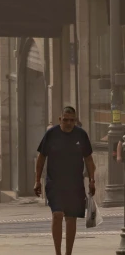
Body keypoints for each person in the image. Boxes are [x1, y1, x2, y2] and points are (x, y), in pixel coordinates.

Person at [35, 106, 96, 255]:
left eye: (72, 120)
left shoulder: (81, 135)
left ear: (75, 120)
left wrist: (92, 180)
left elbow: (88, 159)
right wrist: (37, 180)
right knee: (57, 214)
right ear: (60, 119)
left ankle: (68, 253)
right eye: (65, 120)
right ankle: (58, 252)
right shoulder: (51, 134)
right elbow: (41, 158)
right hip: (54, 182)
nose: (69, 123)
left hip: (74, 183)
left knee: (71, 218)